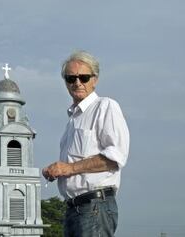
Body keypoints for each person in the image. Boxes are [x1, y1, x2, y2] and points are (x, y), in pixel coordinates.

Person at [42, 51, 130, 237]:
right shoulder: (73, 121)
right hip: (73, 209)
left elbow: (115, 158)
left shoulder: (105, 106)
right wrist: (57, 171)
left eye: (83, 77)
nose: (77, 83)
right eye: (71, 78)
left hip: (95, 206)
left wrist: (68, 168)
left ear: (95, 79)